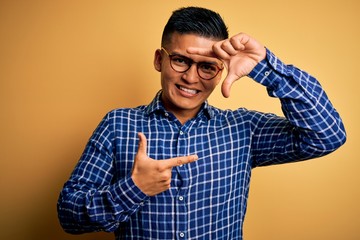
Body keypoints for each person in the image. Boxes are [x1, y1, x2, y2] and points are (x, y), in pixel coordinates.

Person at [57, 6, 346, 239]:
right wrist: (135, 187)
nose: (191, 78)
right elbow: (69, 214)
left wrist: (267, 69)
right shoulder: (118, 125)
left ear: (220, 71)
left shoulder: (243, 130)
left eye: (207, 66)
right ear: (159, 59)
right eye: (180, 61)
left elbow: (327, 135)